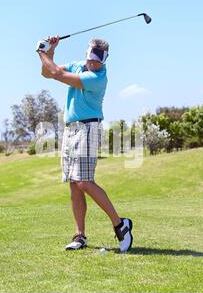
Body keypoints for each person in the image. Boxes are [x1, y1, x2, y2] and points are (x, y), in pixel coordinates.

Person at [36, 36, 133, 252]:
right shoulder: (78, 65)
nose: (91, 63)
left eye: (96, 61)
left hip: (88, 127)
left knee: (84, 182)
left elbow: (56, 73)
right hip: (71, 129)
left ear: (104, 61)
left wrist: (42, 52)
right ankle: (80, 235)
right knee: (74, 183)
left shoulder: (97, 78)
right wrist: (49, 53)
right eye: (90, 59)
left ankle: (121, 225)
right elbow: (46, 72)